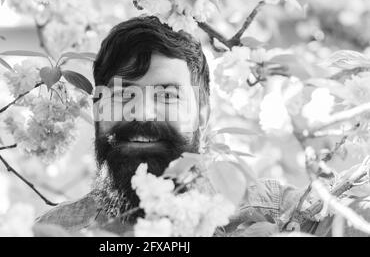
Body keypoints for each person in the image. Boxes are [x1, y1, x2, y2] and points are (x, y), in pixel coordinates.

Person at [36, 16, 370, 237]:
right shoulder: (53, 230)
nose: (143, 113)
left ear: (203, 113)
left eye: (167, 96)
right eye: (124, 96)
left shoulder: (276, 214)